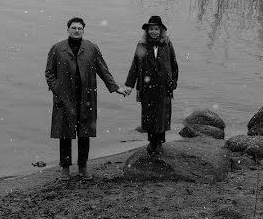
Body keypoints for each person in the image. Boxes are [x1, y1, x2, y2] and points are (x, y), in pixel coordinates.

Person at [45, 16, 126, 180]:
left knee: (84, 134)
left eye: (79, 28)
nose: (76, 31)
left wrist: (115, 88)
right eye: (73, 28)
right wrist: (58, 90)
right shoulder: (57, 49)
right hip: (65, 98)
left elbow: (103, 70)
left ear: (83, 30)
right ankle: (65, 168)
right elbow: (49, 73)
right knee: (65, 134)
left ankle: (83, 167)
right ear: (68, 30)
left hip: (86, 97)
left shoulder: (91, 48)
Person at [123, 15, 179, 155]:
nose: (154, 31)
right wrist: (129, 85)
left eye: (156, 29)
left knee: (162, 115)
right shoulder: (141, 45)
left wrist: (173, 82)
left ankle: (159, 142)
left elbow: (173, 64)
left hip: (163, 86)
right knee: (149, 115)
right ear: (147, 31)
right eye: (151, 29)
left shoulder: (167, 44)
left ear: (161, 30)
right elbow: (135, 66)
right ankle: (151, 141)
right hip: (146, 86)